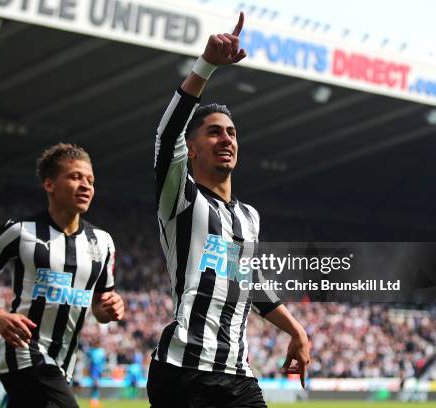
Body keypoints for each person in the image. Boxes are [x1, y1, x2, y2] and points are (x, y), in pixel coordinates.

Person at [147, 12, 311, 408]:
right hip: (184, 372)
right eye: (214, 131)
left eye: (232, 133)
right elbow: (166, 136)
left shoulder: (248, 217)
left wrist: (297, 331)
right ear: (194, 147)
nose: (226, 139)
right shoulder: (181, 199)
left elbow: (251, 283)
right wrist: (205, 66)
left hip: (238, 375)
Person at [0, 143, 125, 408]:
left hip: (64, 364)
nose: (86, 186)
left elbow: (100, 308)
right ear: (49, 185)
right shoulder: (19, 231)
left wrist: (111, 307)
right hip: (23, 354)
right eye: (75, 177)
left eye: (90, 180)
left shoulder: (103, 242)